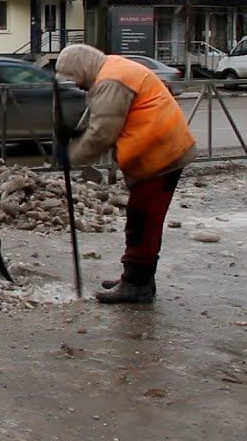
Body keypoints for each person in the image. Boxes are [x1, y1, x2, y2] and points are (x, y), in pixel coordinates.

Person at [54, 43, 196, 305]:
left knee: (143, 221)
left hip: (160, 156)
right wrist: (76, 134)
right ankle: (136, 277)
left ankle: (137, 285)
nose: (79, 86)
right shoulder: (113, 69)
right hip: (160, 152)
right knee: (142, 219)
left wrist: (71, 156)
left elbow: (102, 133)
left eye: (76, 78)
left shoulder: (111, 80)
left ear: (82, 68)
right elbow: (101, 116)